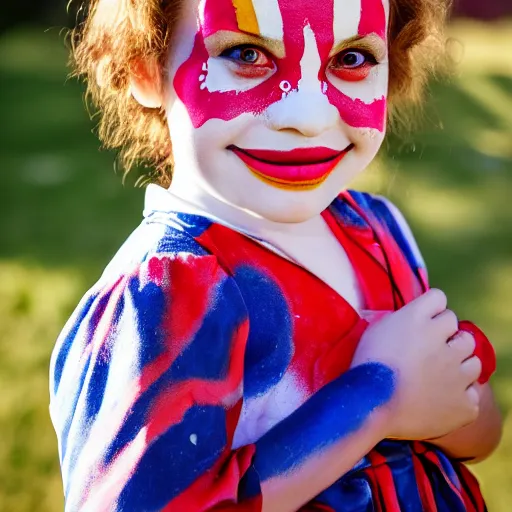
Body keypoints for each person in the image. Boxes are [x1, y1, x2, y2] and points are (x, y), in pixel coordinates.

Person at [49, 0, 502, 510]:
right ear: (146, 71)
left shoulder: (375, 225)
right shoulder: (162, 295)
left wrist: (450, 377)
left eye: (352, 59)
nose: (308, 117)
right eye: (245, 53)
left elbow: (478, 434)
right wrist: (377, 396)